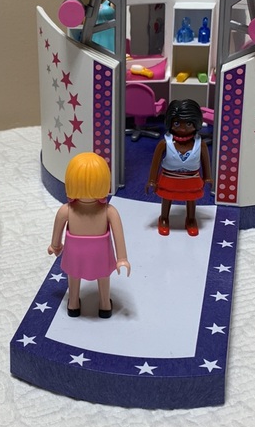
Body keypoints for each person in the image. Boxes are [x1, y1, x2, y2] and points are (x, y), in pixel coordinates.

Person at [48, 152, 130, 318]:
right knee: (103, 276)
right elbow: (118, 235)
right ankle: (105, 305)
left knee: (74, 276)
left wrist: (55, 246)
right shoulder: (109, 211)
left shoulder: (66, 210)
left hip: (76, 253)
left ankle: (73, 304)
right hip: (100, 253)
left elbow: (57, 234)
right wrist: (122, 258)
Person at [145, 99, 212, 236]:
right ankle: (164, 218)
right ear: (170, 123)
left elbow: (206, 161)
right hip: (169, 177)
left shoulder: (200, 144)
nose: (182, 128)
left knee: (191, 198)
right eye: (177, 123)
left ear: (196, 123)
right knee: (167, 197)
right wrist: (152, 180)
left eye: (188, 124)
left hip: (192, 178)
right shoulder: (165, 143)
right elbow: (155, 163)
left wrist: (207, 177)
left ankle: (191, 219)